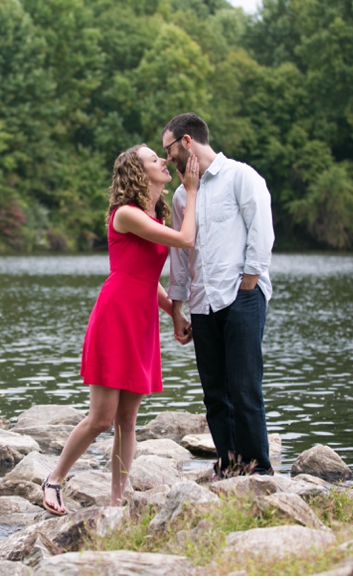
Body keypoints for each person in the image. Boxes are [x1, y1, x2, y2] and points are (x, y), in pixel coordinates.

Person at [41, 144, 200, 515]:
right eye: (153, 159)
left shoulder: (154, 217)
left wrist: (174, 315)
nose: (163, 161)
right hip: (115, 315)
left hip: (141, 320)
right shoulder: (125, 214)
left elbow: (150, 279)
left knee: (128, 421)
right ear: (137, 172)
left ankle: (117, 502)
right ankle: (53, 479)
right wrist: (190, 191)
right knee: (102, 417)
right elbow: (186, 239)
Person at [162, 112, 275, 477]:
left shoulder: (241, 177)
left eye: (169, 149)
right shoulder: (182, 196)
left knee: (244, 387)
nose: (167, 158)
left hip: (241, 294)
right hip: (201, 302)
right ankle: (228, 465)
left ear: (187, 142)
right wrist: (178, 306)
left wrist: (249, 281)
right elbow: (180, 255)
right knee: (214, 393)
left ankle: (258, 471)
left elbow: (262, 230)